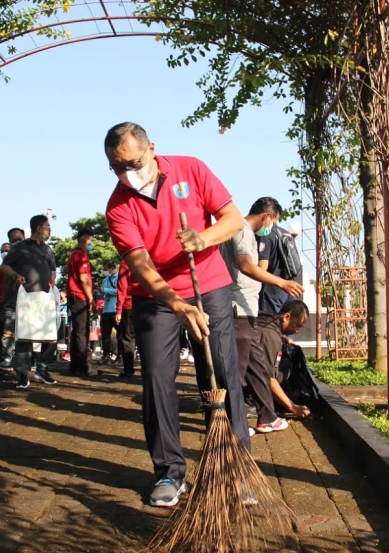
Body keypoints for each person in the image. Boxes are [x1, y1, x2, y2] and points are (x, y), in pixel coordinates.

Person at [104, 122, 248, 507]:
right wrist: (179, 305)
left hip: (210, 284)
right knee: (156, 377)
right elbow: (140, 266)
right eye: (117, 168)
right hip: (156, 298)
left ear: (151, 148)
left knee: (219, 368)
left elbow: (232, 219)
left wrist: (204, 238)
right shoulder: (118, 206)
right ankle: (169, 472)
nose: (128, 174)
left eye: (133, 163)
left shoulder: (191, 169)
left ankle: (235, 466)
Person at [219, 206, 281, 433]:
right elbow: (246, 266)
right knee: (237, 369)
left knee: (256, 366)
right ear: (266, 216)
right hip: (239, 308)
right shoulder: (243, 230)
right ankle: (233, 424)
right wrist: (281, 282)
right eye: (273, 221)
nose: (272, 227)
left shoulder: (238, 231)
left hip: (246, 308)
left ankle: (267, 416)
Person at [0, 215, 58, 387]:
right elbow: (5, 266)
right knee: (24, 337)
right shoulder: (20, 247)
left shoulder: (48, 249)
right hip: (25, 294)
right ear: (38, 228)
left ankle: (42, 370)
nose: (49, 229)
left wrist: (53, 276)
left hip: (46, 295)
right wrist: (16, 275)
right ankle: (23, 374)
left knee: (50, 336)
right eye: (47, 226)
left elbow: (53, 268)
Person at [258, 299, 312, 420]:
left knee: (286, 365)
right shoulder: (271, 337)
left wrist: (284, 339)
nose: (297, 331)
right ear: (286, 317)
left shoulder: (267, 323)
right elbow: (268, 378)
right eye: (297, 325)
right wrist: (293, 407)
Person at [67, 229, 98, 376]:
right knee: (82, 332)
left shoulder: (73, 254)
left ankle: (75, 365)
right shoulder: (81, 256)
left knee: (76, 332)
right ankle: (84, 365)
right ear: (85, 238)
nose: (91, 243)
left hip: (74, 296)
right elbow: (83, 279)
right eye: (91, 240)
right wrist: (91, 298)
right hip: (80, 296)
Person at [0, 228, 25, 369]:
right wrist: (4, 299)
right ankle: (7, 358)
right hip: (12, 300)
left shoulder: (31, 255)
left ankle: (27, 360)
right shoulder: (9, 259)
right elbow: (6, 280)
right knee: (9, 330)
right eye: (14, 240)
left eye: (19, 239)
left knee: (27, 330)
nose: (17, 242)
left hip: (28, 301)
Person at [115, 263, 136, 378]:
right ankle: (149, 370)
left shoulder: (126, 263)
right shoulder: (146, 257)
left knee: (128, 338)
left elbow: (122, 287)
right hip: (145, 304)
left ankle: (129, 370)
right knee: (145, 338)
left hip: (129, 305)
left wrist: (118, 310)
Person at [99, 260, 119, 364]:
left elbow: (119, 291)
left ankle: (119, 355)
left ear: (111, 268)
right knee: (105, 335)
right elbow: (103, 292)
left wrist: (105, 290)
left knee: (120, 334)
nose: (105, 272)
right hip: (106, 309)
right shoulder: (105, 280)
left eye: (106, 269)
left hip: (116, 309)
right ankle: (106, 355)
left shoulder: (119, 277)